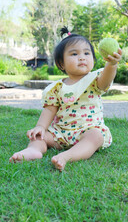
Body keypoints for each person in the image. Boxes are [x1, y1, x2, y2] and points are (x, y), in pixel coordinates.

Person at [9, 27, 122, 171]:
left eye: (86, 53)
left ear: (93, 59)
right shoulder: (56, 88)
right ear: (61, 64)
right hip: (60, 133)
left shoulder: (94, 80)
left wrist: (111, 65)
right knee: (39, 137)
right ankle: (33, 151)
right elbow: (49, 110)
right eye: (74, 54)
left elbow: (105, 82)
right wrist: (41, 127)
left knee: (96, 136)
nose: (82, 57)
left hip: (87, 131)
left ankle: (66, 156)